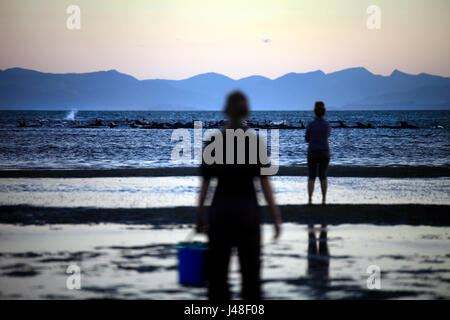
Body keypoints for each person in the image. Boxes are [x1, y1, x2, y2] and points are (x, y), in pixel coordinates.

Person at [196, 91, 281, 300]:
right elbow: (264, 183)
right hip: (248, 214)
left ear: (225, 111)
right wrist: (276, 217)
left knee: (217, 281)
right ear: (247, 112)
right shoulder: (255, 141)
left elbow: (205, 185)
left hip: (220, 214)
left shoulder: (214, 141)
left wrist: (199, 216)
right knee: (251, 280)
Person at [305, 101, 331, 205]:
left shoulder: (310, 124)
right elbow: (327, 135)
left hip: (312, 152)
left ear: (314, 112)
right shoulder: (327, 125)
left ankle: (310, 199)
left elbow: (307, 138)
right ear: (324, 112)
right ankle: (324, 199)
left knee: (312, 176)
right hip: (324, 151)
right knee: (323, 176)